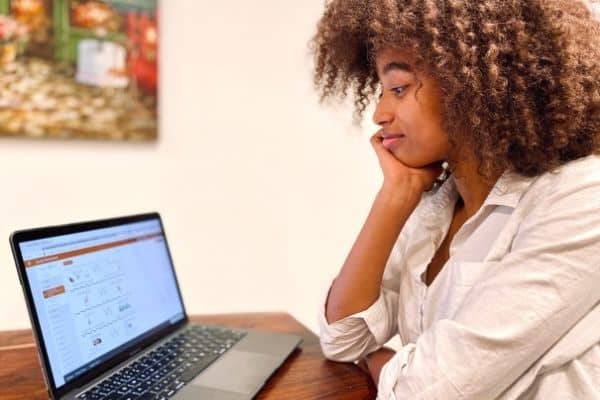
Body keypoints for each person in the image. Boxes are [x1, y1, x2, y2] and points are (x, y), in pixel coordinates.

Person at [309, 0, 600, 399]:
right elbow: (343, 338)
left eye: (398, 89)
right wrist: (394, 196)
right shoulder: (438, 205)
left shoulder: (582, 198)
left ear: (474, 83)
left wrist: (378, 362)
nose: (378, 113)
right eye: (379, 91)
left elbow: (424, 391)